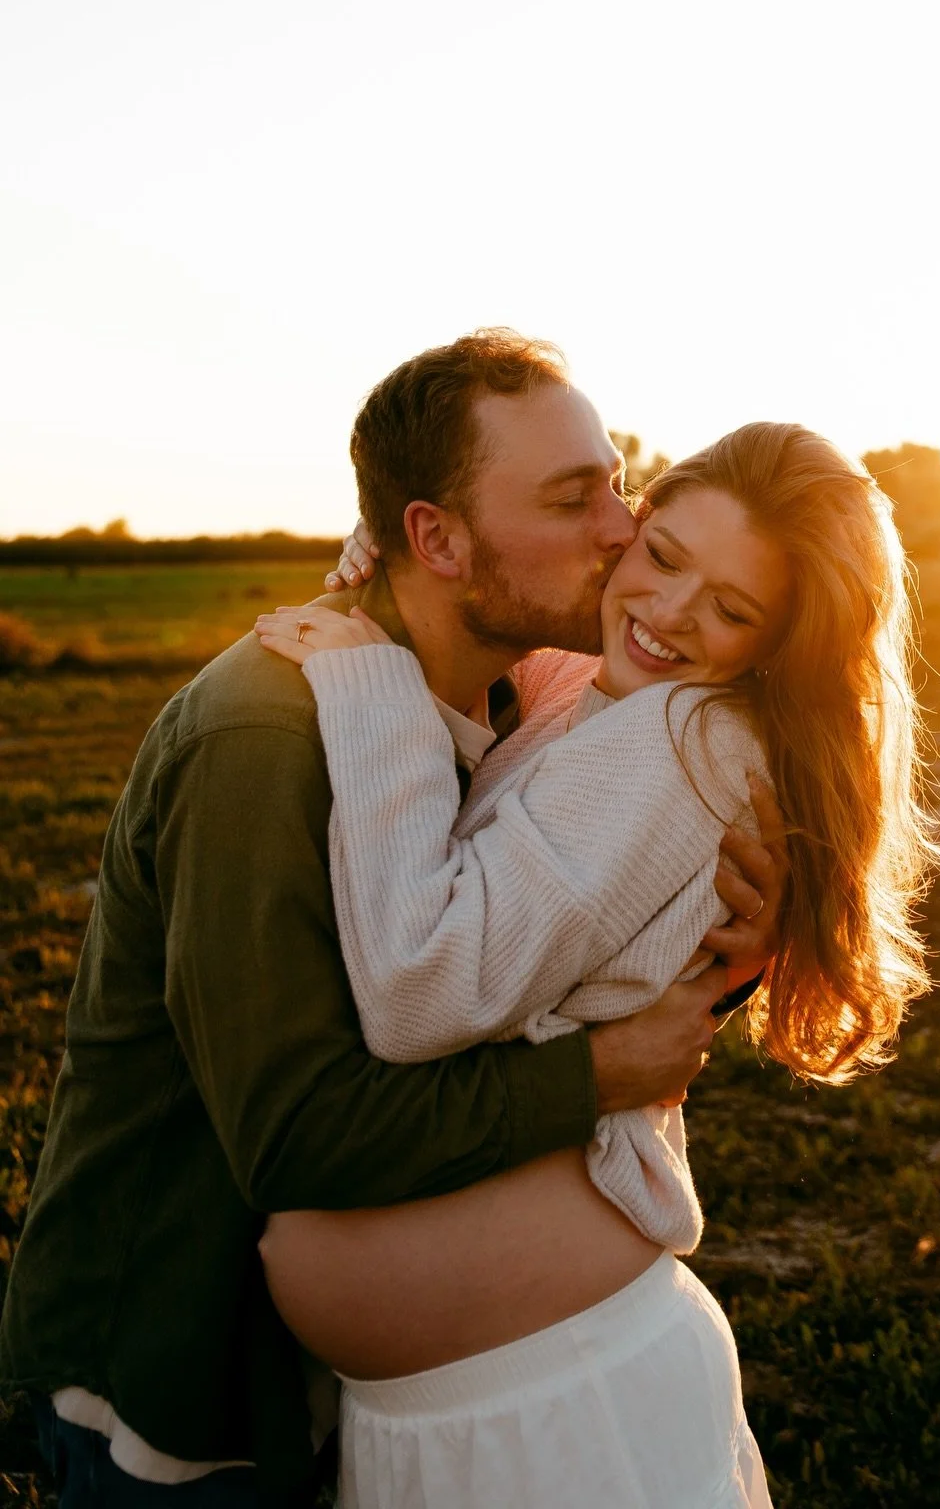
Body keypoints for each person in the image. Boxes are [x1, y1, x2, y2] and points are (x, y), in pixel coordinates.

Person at [0, 331, 787, 1507]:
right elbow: (299, 1131)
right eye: (578, 500)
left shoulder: (519, 690)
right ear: (436, 537)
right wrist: (604, 1072)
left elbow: (564, 924)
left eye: (618, 483)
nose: (623, 529)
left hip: (340, 1392)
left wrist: (730, 960)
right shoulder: (268, 740)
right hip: (181, 1389)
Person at [251, 419, 940, 1509]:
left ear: (778, 646)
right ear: (633, 522)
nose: (670, 613)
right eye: (664, 556)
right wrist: (399, 553)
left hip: (550, 1405)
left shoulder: (679, 740)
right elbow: (501, 614)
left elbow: (421, 987)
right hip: (498, 1396)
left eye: (732, 610)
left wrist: (371, 678)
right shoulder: (613, 690)